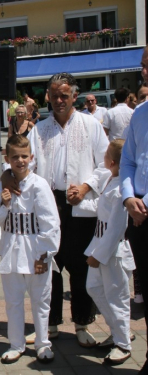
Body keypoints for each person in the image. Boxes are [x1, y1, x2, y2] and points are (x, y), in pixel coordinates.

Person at [5, 73, 109, 347]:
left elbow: (107, 165)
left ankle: (83, 324)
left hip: (82, 206)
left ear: (75, 96)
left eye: (64, 95)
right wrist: (8, 176)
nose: (59, 100)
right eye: (54, 95)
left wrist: (86, 187)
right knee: (49, 266)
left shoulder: (91, 125)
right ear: (47, 98)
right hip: (48, 206)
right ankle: (49, 325)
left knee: (81, 268)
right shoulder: (41, 129)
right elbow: (28, 163)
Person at [0, 135, 60, 364]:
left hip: (35, 250)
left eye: (24, 156)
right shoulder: (3, 185)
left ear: (31, 157)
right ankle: (16, 344)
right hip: (12, 250)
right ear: (7, 159)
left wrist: (44, 254)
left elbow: (51, 223)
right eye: (15, 157)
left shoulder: (39, 185)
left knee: (40, 300)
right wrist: (5, 205)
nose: (20, 161)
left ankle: (43, 343)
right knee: (13, 300)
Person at [85, 139, 135, 365]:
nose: (102, 156)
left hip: (113, 249)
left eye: (105, 154)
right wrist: (77, 203)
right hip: (100, 241)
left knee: (117, 297)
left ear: (112, 161)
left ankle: (123, 343)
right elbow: (100, 209)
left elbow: (116, 227)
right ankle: (118, 331)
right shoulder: (110, 179)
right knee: (94, 287)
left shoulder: (122, 188)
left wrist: (99, 254)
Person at [120, 45, 148, 374]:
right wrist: (129, 197)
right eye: (142, 65)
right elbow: (128, 161)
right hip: (138, 214)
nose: (144, 71)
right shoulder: (140, 114)